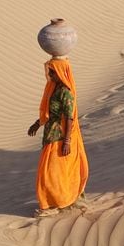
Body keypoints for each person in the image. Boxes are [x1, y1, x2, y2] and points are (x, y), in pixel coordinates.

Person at [27, 57, 89, 215]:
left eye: (53, 72)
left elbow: (69, 118)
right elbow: (50, 113)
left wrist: (66, 142)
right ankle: (55, 202)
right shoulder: (53, 88)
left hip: (60, 138)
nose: (50, 75)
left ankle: (53, 205)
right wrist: (37, 123)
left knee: (51, 173)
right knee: (49, 173)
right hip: (51, 135)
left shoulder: (65, 93)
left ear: (60, 73)